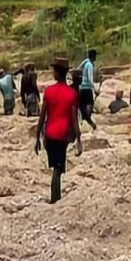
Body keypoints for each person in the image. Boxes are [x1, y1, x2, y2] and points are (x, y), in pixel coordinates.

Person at [35, 58, 83, 204]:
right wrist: (79, 138)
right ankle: (55, 197)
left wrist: (37, 136)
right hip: (62, 135)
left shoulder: (49, 92)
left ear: (57, 72)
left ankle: (55, 197)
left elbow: (42, 116)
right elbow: (74, 119)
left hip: (49, 134)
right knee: (58, 167)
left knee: (56, 167)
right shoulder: (71, 94)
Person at [78, 49, 100, 131]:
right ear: (93, 56)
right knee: (90, 105)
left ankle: (85, 121)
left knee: (83, 105)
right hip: (87, 88)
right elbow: (90, 79)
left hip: (82, 88)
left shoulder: (86, 63)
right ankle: (89, 121)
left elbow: (79, 67)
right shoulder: (90, 65)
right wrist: (95, 89)